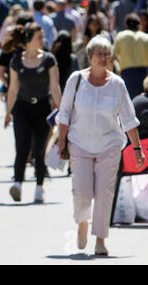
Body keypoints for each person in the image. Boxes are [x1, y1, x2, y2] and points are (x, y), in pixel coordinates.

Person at [56, 35, 145, 256]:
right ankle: (82, 224)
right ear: (89, 57)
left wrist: (137, 149)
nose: (104, 58)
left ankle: (101, 239)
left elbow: (128, 118)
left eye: (107, 54)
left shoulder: (117, 84)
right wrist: (61, 141)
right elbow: (64, 113)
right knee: (82, 193)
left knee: (104, 193)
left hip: (109, 144)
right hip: (80, 143)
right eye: (99, 54)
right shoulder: (76, 80)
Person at [5, 22, 62, 203]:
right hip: (21, 108)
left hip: (42, 108)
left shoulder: (48, 59)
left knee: (39, 149)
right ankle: (18, 184)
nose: (42, 40)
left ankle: (39, 187)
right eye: (39, 37)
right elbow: (13, 89)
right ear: (29, 39)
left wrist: (63, 111)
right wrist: (8, 112)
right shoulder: (16, 60)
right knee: (21, 147)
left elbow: (55, 87)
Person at [113, 13, 148, 99]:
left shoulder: (121, 36)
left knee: (129, 101)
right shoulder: (145, 37)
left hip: (127, 73)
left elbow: (113, 56)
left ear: (126, 24)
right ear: (139, 24)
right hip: (144, 73)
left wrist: (117, 69)